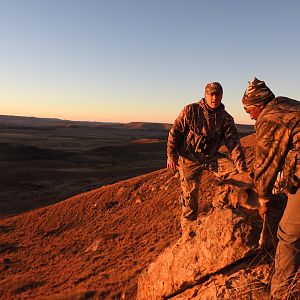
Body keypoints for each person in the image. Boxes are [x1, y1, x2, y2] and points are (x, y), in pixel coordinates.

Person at [242, 78, 300, 298]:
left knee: (289, 234)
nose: (248, 115)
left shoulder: (270, 119)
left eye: (248, 110)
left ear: (258, 105)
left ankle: (281, 293)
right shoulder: (289, 104)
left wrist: (262, 198)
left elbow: (266, 165)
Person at [167, 82, 247, 237]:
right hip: (188, 159)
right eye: (211, 94)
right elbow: (175, 132)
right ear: (205, 95)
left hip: (211, 157)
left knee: (234, 174)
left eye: (218, 94)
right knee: (190, 197)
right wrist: (171, 155)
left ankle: (219, 205)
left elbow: (234, 145)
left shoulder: (226, 119)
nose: (214, 97)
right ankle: (188, 231)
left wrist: (242, 169)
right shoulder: (191, 110)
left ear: (222, 95)